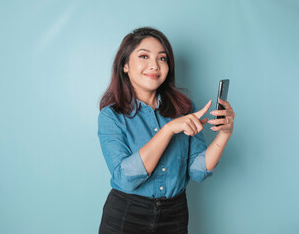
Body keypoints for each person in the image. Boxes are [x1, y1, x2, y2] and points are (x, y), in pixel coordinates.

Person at [97, 27, 235, 234]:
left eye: (162, 59)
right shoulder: (111, 116)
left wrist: (224, 135)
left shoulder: (185, 109)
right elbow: (126, 178)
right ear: (125, 65)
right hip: (127, 214)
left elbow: (198, 172)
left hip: (175, 214)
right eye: (144, 56)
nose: (154, 65)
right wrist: (169, 129)